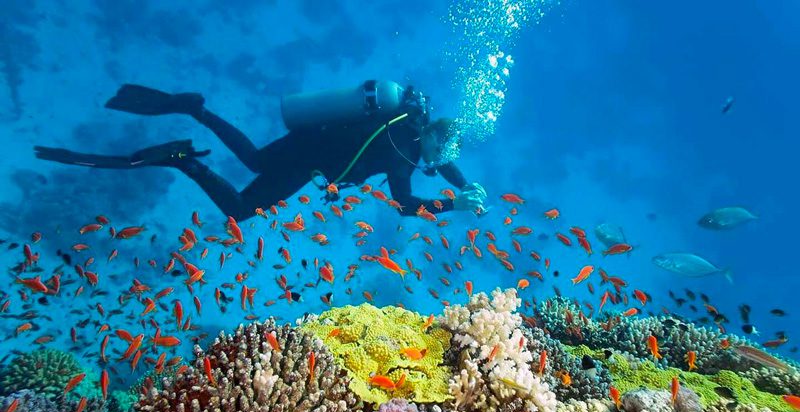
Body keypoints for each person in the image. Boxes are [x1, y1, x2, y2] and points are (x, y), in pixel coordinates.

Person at [34, 82, 487, 220]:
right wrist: (452, 204)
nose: (437, 162)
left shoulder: (411, 126)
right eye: (438, 152)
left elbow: (443, 159)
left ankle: (197, 111)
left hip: (311, 145)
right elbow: (405, 203)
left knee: (251, 160)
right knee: (240, 211)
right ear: (430, 137)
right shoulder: (401, 145)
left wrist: (464, 186)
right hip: (311, 160)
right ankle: (185, 162)